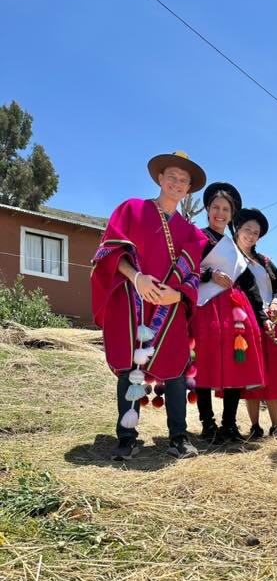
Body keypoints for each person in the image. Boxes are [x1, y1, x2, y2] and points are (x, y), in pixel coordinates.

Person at [91, 150, 207, 461]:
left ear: (189, 188)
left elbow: (193, 274)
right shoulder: (131, 210)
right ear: (159, 178)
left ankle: (178, 437)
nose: (177, 182)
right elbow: (108, 254)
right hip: (132, 303)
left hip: (169, 312)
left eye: (184, 180)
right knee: (129, 369)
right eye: (172, 176)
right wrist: (137, 277)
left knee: (176, 371)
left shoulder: (193, 234)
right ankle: (126, 437)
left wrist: (179, 296)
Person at [192, 183, 266, 442]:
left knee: (236, 362)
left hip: (235, 315)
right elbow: (185, 270)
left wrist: (263, 316)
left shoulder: (233, 247)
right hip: (207, 311)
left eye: (225, 209)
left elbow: (249, 284)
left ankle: (229, 424)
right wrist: (209, 274)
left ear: (231, 214)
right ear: (208, 209)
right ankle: (207, 423)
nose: (220, 213)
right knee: (206, 364)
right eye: (215, 208)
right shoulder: (197, 237)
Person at [232, 208, 277, 437]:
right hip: (246, 324)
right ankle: (254, 426)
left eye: (256, 232)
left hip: (273, 322)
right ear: (237, 230)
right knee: (251, 377)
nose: (251, 235)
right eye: (247, 230)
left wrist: (275, 301)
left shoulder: (264, 261)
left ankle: (276, 425)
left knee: (274, 374)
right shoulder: (230, 260)